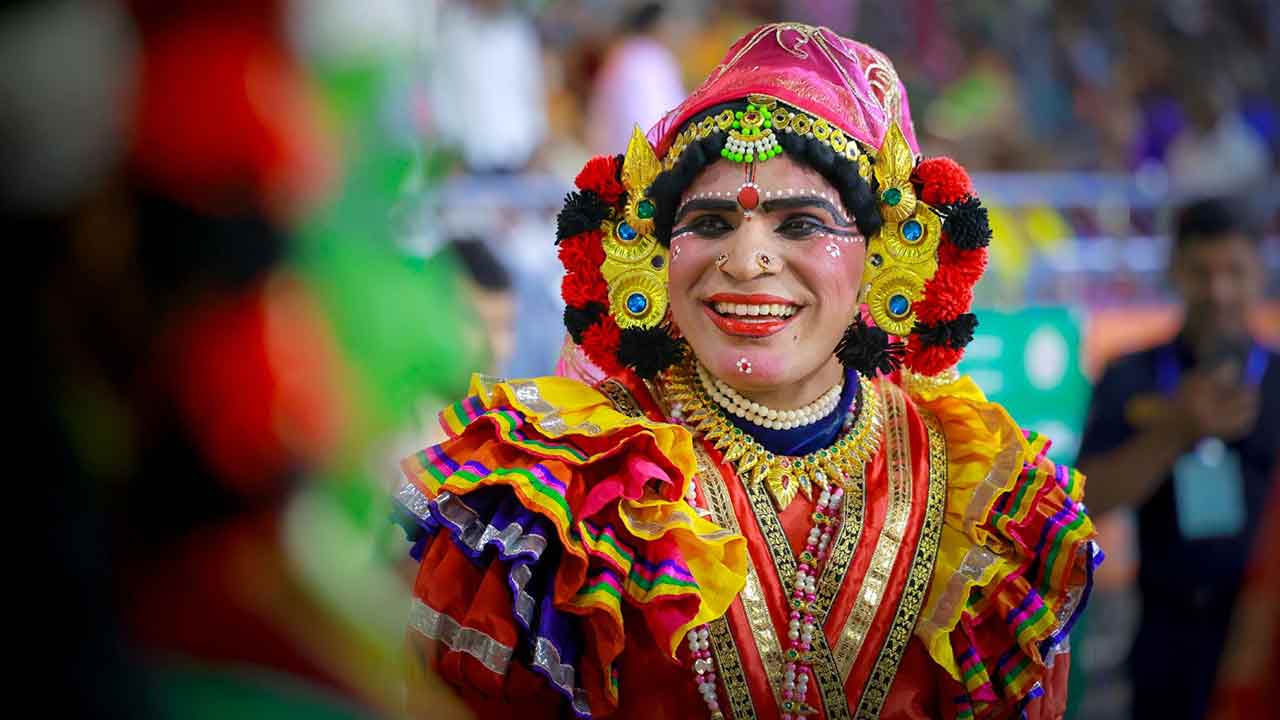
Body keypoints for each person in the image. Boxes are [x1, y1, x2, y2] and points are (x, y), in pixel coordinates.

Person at [394, 23, 1100, 719]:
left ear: (882, 254)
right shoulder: (566, 486)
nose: (744, 260)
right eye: (709, 224)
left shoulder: (979, 490)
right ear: (654, 255)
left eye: (801, 224)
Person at [1076, 197, 1278, 720]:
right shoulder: (1131, 375)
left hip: (1264, 637)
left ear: (1259, 274)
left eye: (1234, 272)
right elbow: (1085, 501)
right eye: (1201, 272)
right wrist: (1176, 432)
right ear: (1174, 272)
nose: (1218, 291)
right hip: (1167, 638)